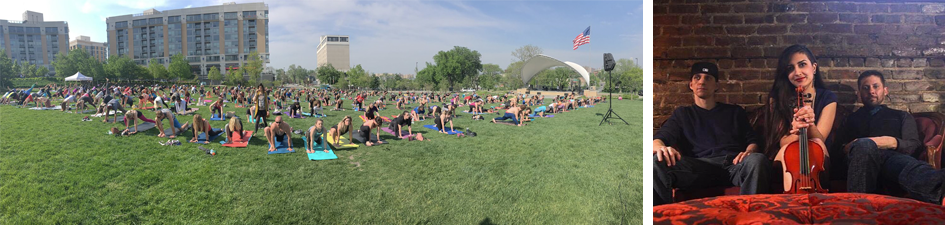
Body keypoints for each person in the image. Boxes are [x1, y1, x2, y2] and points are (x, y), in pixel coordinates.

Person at [653, 62, 766, 206]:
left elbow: (753, 140)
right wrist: (661, 148)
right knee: (657, 161)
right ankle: (661, 218)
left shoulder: (734, 112)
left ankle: (752, 216)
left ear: (716, 85)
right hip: (699, 168)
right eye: (697, 78)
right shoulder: (682, 114)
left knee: (758, 160)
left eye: (708, 78)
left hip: (734, 165)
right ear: (691, 85)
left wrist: (750, 151)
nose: (702, 81)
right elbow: (658, 140)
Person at [839, 71, 942, 204]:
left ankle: (940, 186)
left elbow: (913, 145)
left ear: (885, 90)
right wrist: (856, 145)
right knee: (864, 146)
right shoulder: (849, 119)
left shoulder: (901, 116)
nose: (871, 91)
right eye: (866, 88)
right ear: (859, 94)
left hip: (892, 158)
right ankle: (859, 208)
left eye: (876, 86)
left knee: (910, 167)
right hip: (858, 159)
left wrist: (890, 142)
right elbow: (838, 150)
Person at [762, 45, 838, 186]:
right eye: (790, 68)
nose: (797, 72)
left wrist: (809, 123)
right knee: (787, 150)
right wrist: (797, 132)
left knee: (818, 145)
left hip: (819, 153)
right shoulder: (777, 98)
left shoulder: (828, 97)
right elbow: (783, 141)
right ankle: (792, 198)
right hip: (787, 152)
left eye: (802, 64)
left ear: (814, 68)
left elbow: (820, 138)